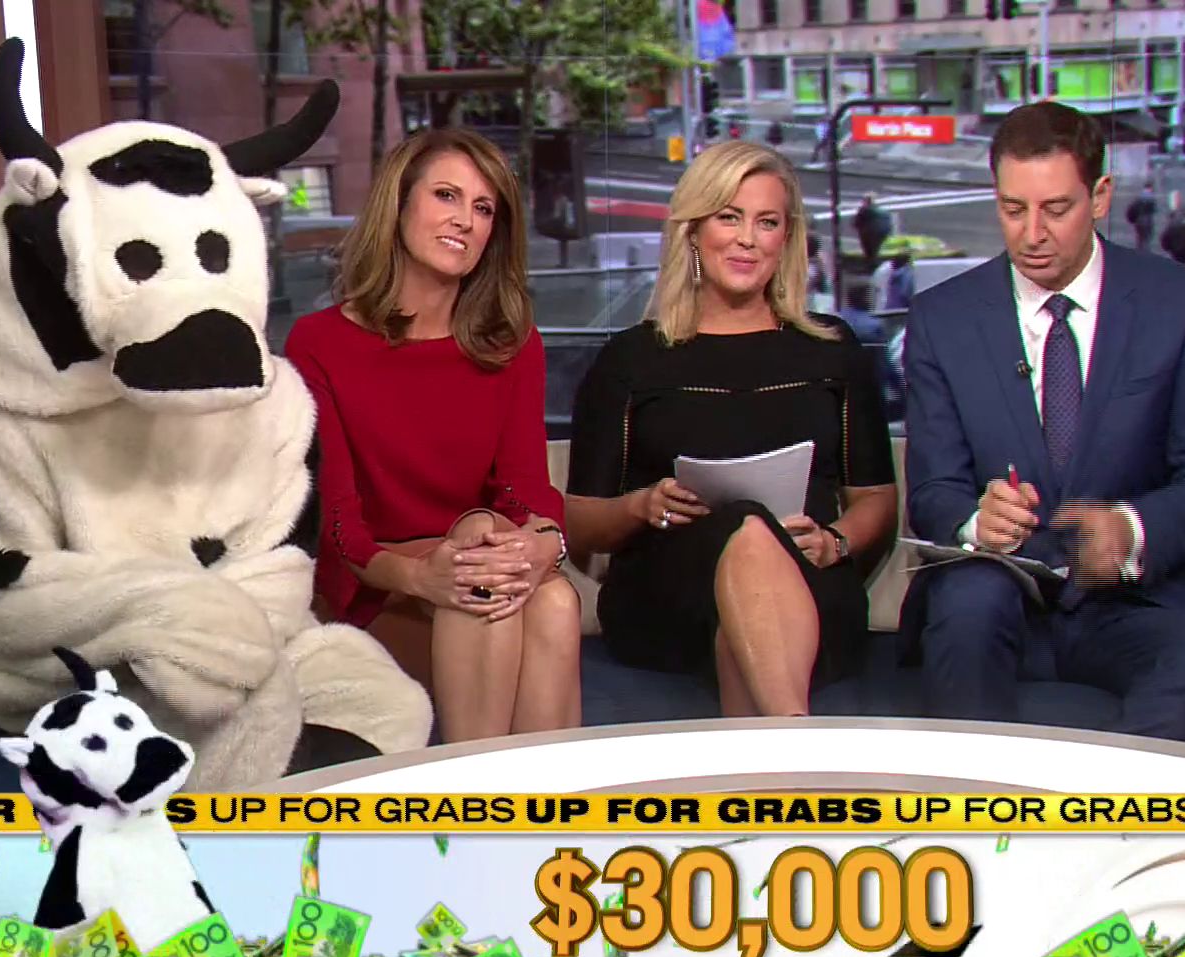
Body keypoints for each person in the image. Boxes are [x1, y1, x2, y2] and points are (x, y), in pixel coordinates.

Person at [899, 101, 1185, 741]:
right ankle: (975, 806)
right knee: (966, 615)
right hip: (996, 592)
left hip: (1134, 602)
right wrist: (976, 521)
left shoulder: (1178, 303)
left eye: (1056, 209)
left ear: (1100, 196)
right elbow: (933, 490)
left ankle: (1111, 807)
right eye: (1013, 209)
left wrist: (1131, 530)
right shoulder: (943, 317)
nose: (1032, 234)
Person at [565, 141, 899, 717]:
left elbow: (876, 499)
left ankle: (782, 744)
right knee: (745, 526)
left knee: (746, 605)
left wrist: (835, 541)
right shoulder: (632, 359)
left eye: (767, 222)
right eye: (729, 217)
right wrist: (642, 505)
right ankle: (796, 738)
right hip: (668, 592)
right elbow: (580, 520)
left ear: (786, 239)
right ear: (693, 231)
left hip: (808, 582)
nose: (748, 238)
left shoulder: (833, 350)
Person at [285, 128, 581, 743]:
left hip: (480, 570)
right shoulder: (319, 343)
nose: (465, 221)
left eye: (483, 208)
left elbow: (526, 492)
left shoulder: (512, 345)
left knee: (549, 597)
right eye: (446, 195)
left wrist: (542, 547)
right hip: (381, 583)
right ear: (399, 205)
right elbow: (338, 527)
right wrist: (423, 576)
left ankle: (501, 790)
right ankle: (503, 791)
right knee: (486, 570)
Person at [854, 193, 893, 268]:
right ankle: (873, 263)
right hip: (884, 231)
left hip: (871, 232)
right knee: (876, 249)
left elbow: (857, 223)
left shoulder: (864, 210)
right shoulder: (882, 210)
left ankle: (872, 265)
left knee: (869, 250)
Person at [1160, 191, 1185, 266]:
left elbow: (1166, 237)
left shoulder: (1172, 225)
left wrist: (1166, 247)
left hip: (1175, 249)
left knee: (1177, 264)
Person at [1123, 182, 1158, 251]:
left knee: (1140, 240)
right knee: (1146, 240)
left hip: (1139, 222)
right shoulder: (1151, 198)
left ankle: (1139, 253)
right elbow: (1154, 210)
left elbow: (1131, 210)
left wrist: (1133, 220)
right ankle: (1145, 253)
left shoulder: (1139, 198)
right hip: (1147, 223)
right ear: (1150, 188)